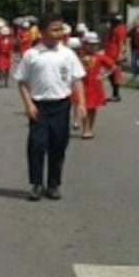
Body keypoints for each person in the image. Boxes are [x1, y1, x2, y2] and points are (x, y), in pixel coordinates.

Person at [15, 15, 86, 201]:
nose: (59, 33)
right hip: (39, 107)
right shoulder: (32, 55)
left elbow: (77, 79)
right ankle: (37, 184)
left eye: (61, 29)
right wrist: (28, 104)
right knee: (36, 146)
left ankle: (53, 184)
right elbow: (21, 81)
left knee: (58, 145)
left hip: (61, 106)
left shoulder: (68, 54)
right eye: (55, 29)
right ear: (43, 32)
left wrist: (82, 104)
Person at [80, 31, 118, 139]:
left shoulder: (100, 57)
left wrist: (103, 76)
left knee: (92, 109)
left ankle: (90, 129)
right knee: (84, 108)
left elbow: (113, 67)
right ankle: (85, 129)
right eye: (90, 44)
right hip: (83, 86)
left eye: (94, 44)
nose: (92, 47)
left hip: (95, 86)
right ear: (85, 44)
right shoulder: (80, 57)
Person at [104, 16, 128, 101]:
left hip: (115, 55)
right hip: (109, 55)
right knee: (111, 75)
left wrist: (120, 54)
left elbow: (121, 42)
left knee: (115, 75)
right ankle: (115, 93)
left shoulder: (120, 29)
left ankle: (116, 94)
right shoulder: (113, 29)